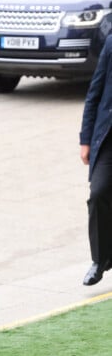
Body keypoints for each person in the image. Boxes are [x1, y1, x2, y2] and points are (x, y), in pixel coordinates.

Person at [79, 35, 112, 286]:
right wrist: (86, 139)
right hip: (107, 137)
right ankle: (99, 260)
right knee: (98, 193)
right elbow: (95, 92)